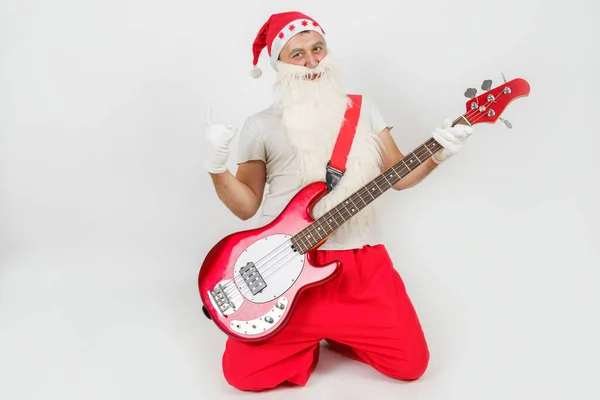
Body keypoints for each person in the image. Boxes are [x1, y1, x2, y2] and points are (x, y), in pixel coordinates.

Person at [202, 11, 474, 392]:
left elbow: (398, 176)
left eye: (318, 48)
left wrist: (438, 153)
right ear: (278, 64)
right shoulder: (260, 125)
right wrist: (217, 166)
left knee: (412, 365)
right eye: (297, 54)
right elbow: (247, 206)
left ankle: (340, 335)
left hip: (360, 268)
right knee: (242, 376)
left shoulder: (362, 110)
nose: (313, 61)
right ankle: (306, 343)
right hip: (287, 272)